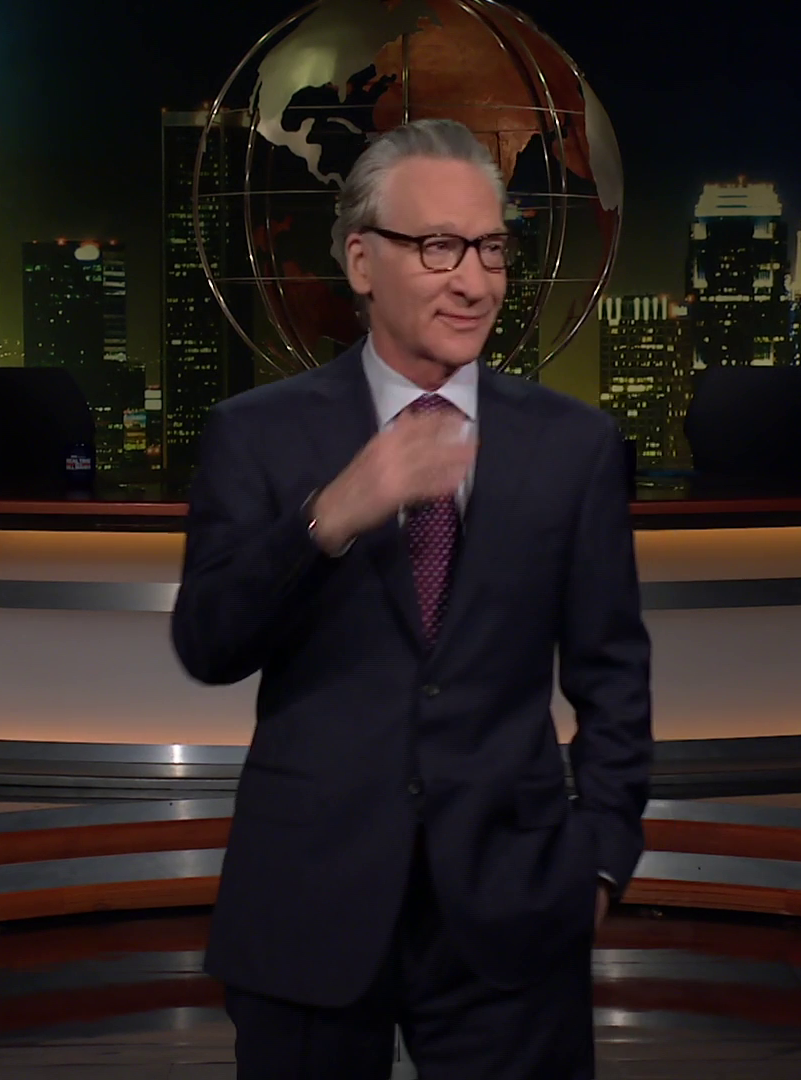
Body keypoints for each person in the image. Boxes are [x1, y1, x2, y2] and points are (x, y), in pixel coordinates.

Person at [171, 117, 653, 1079]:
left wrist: (600, 863)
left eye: (490, 249)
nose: (473, 281)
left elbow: (614, 675)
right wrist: (329, 518)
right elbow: (208, 644)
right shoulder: (257, 434)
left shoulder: (574, 447)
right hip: (309, 898)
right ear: (362, 261)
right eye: (438, 247)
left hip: (513, 907)